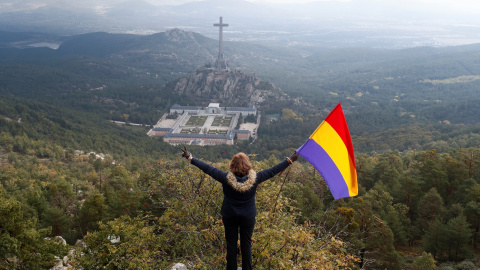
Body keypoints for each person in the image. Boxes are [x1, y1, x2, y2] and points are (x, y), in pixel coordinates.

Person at [181, 146, 299, 270]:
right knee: (246, 245)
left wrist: (190, 157)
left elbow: (208, 169)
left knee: (231, 245)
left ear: (232, 166)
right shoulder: (255, 179)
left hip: (229, 216)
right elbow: (272, 171)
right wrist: (290, 160)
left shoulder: (225, 179)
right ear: (247, 165)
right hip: (248, 217)